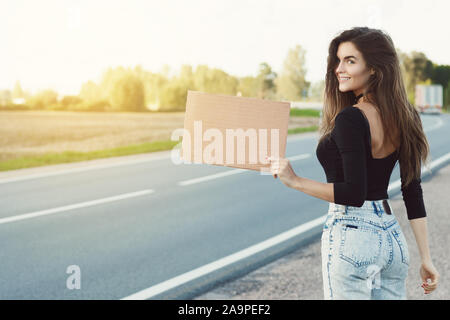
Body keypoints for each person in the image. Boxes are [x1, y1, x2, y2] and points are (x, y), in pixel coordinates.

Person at [267, 27, 439, 299]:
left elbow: (353, 194)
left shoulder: (351, 118)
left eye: (350, 60)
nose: (338, 68)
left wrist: (295, 181)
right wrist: (426, 258)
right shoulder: (407, 117)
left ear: (374, 69)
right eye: (338, 60)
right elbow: (412, 190)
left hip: (352, 235)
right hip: (392, 241)